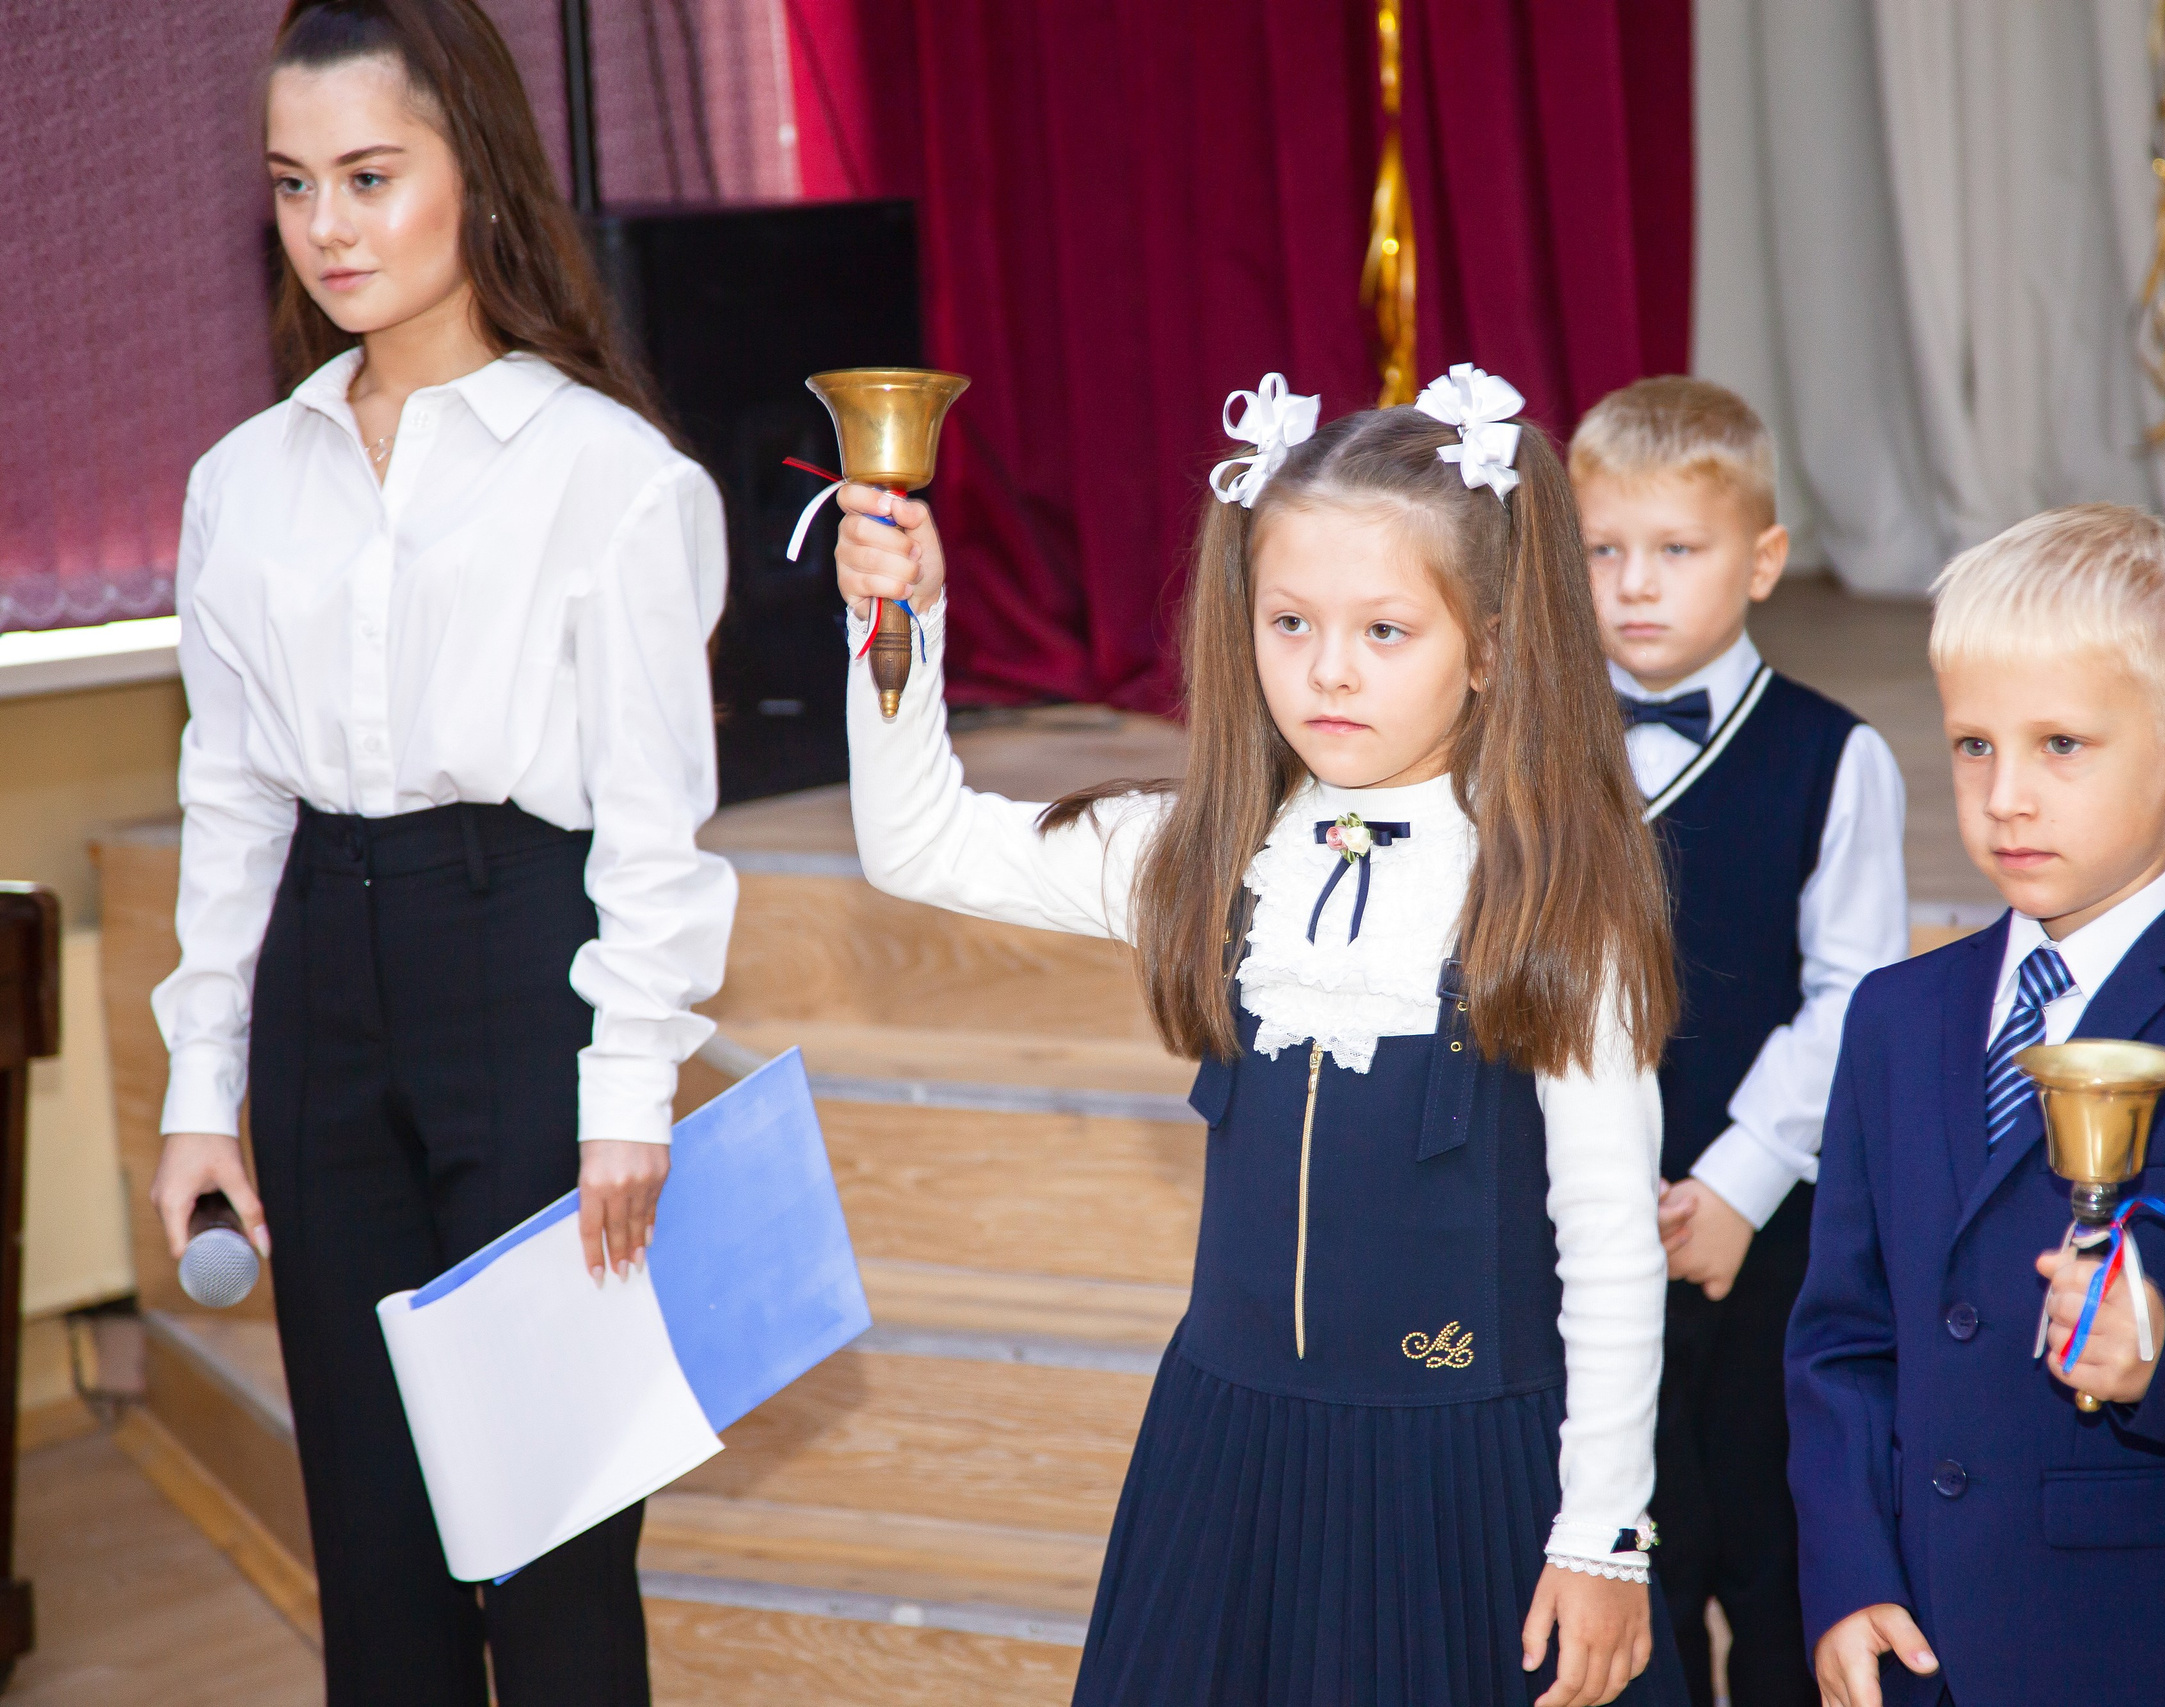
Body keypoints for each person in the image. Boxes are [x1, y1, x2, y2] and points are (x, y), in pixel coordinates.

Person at [835, 364, 1687, 1706]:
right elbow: (915, 841)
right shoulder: (1201, 853)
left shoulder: (1550, 900)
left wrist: (1604, 1537)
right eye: (1290, 620)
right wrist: (902, 622)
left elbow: (1613, 1249)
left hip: (1464, 1477)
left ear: (1496, 643)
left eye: (1386, 630)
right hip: (1228, 1463)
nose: (1328, 668)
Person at [144, 2, 734, 1700]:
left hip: (525, 970)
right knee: (376, 1550)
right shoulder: (241, 483)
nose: (328, 225)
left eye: (371, 174)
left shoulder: (610, 477)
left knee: (552, 1554)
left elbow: (652, 824)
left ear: (474, 177)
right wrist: (204, 1088)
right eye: (293, 182)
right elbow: (236, 794)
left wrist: (628, 1093)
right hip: (325, 965)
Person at [1788, 504, 2165, 1707]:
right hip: (1919, 1640)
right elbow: (1841, 1339)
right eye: (1972, 746)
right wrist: (1847, 1572)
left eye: (2061, 746)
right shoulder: (1894, 1018)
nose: (2006, 796)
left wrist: (2163, 1351)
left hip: (2148, 1648)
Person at [1569, 377, 1906, 1707]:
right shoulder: (1527, 752)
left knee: (1776, 1563)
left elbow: (1856, 995)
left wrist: (1738, 1182)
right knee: (1620, 1555)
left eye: (1677, 549)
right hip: (1581, 1235)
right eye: (1605, 550)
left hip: (1764, 1244)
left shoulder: (1835, 756)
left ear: (1763, 559)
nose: (1636, 584)